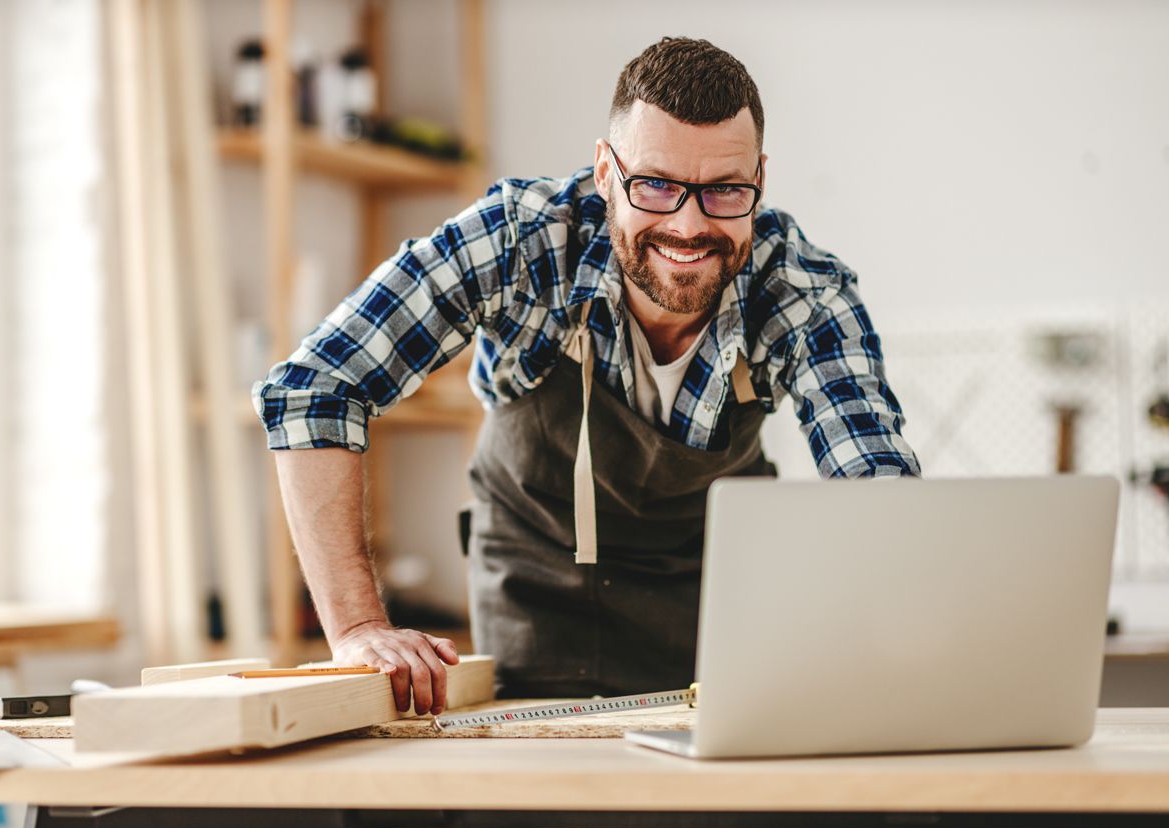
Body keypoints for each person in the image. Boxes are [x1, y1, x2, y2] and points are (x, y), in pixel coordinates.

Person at [254, 36, 921, 717]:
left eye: (724, 190)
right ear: (606, 171)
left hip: (721, 608)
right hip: (536, 595)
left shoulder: (802, 293)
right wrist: (359, 629)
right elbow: (316, 386)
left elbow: (879, 490)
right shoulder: (522, 239)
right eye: (655, 184)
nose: (688, 226)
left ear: (759, 183)